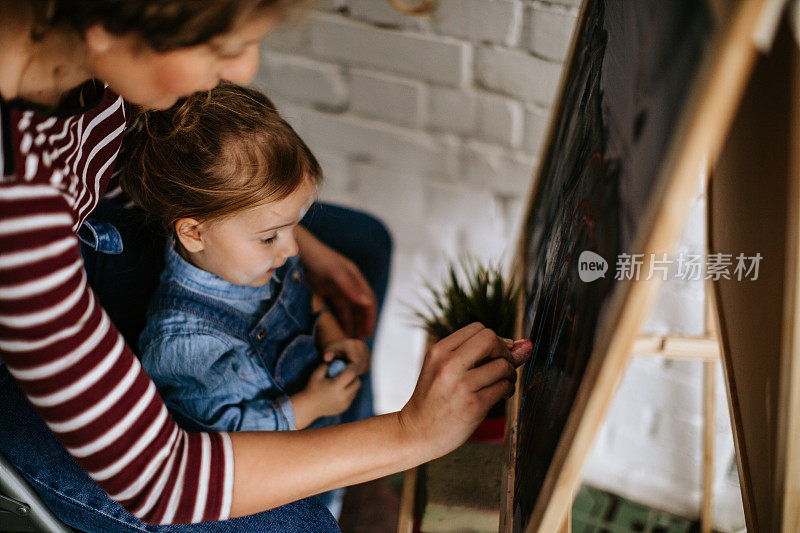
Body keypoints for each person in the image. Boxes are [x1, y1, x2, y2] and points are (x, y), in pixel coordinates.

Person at [0, 1, 533, 531]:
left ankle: (346, 483)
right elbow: (161, 477)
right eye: (223, 46)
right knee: (296, 525)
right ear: (115, 23)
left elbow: (140, 150)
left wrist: (295, 238)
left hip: (89, 227)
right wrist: (412, 433)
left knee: (362, 243)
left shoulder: (99, 64)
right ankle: (339, 492)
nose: (245, 69)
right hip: (23, 361)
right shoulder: (15, 196)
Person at [128, 84, 371, 516]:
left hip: (325, 414)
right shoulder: (186, 342)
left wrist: (332, 333)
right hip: (281, 464)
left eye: (295, 228)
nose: (293, 250)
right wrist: (313, 405)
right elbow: (227, 434)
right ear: (193, 233)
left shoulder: (256, 261)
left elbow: (302, 294)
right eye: (270, 236)